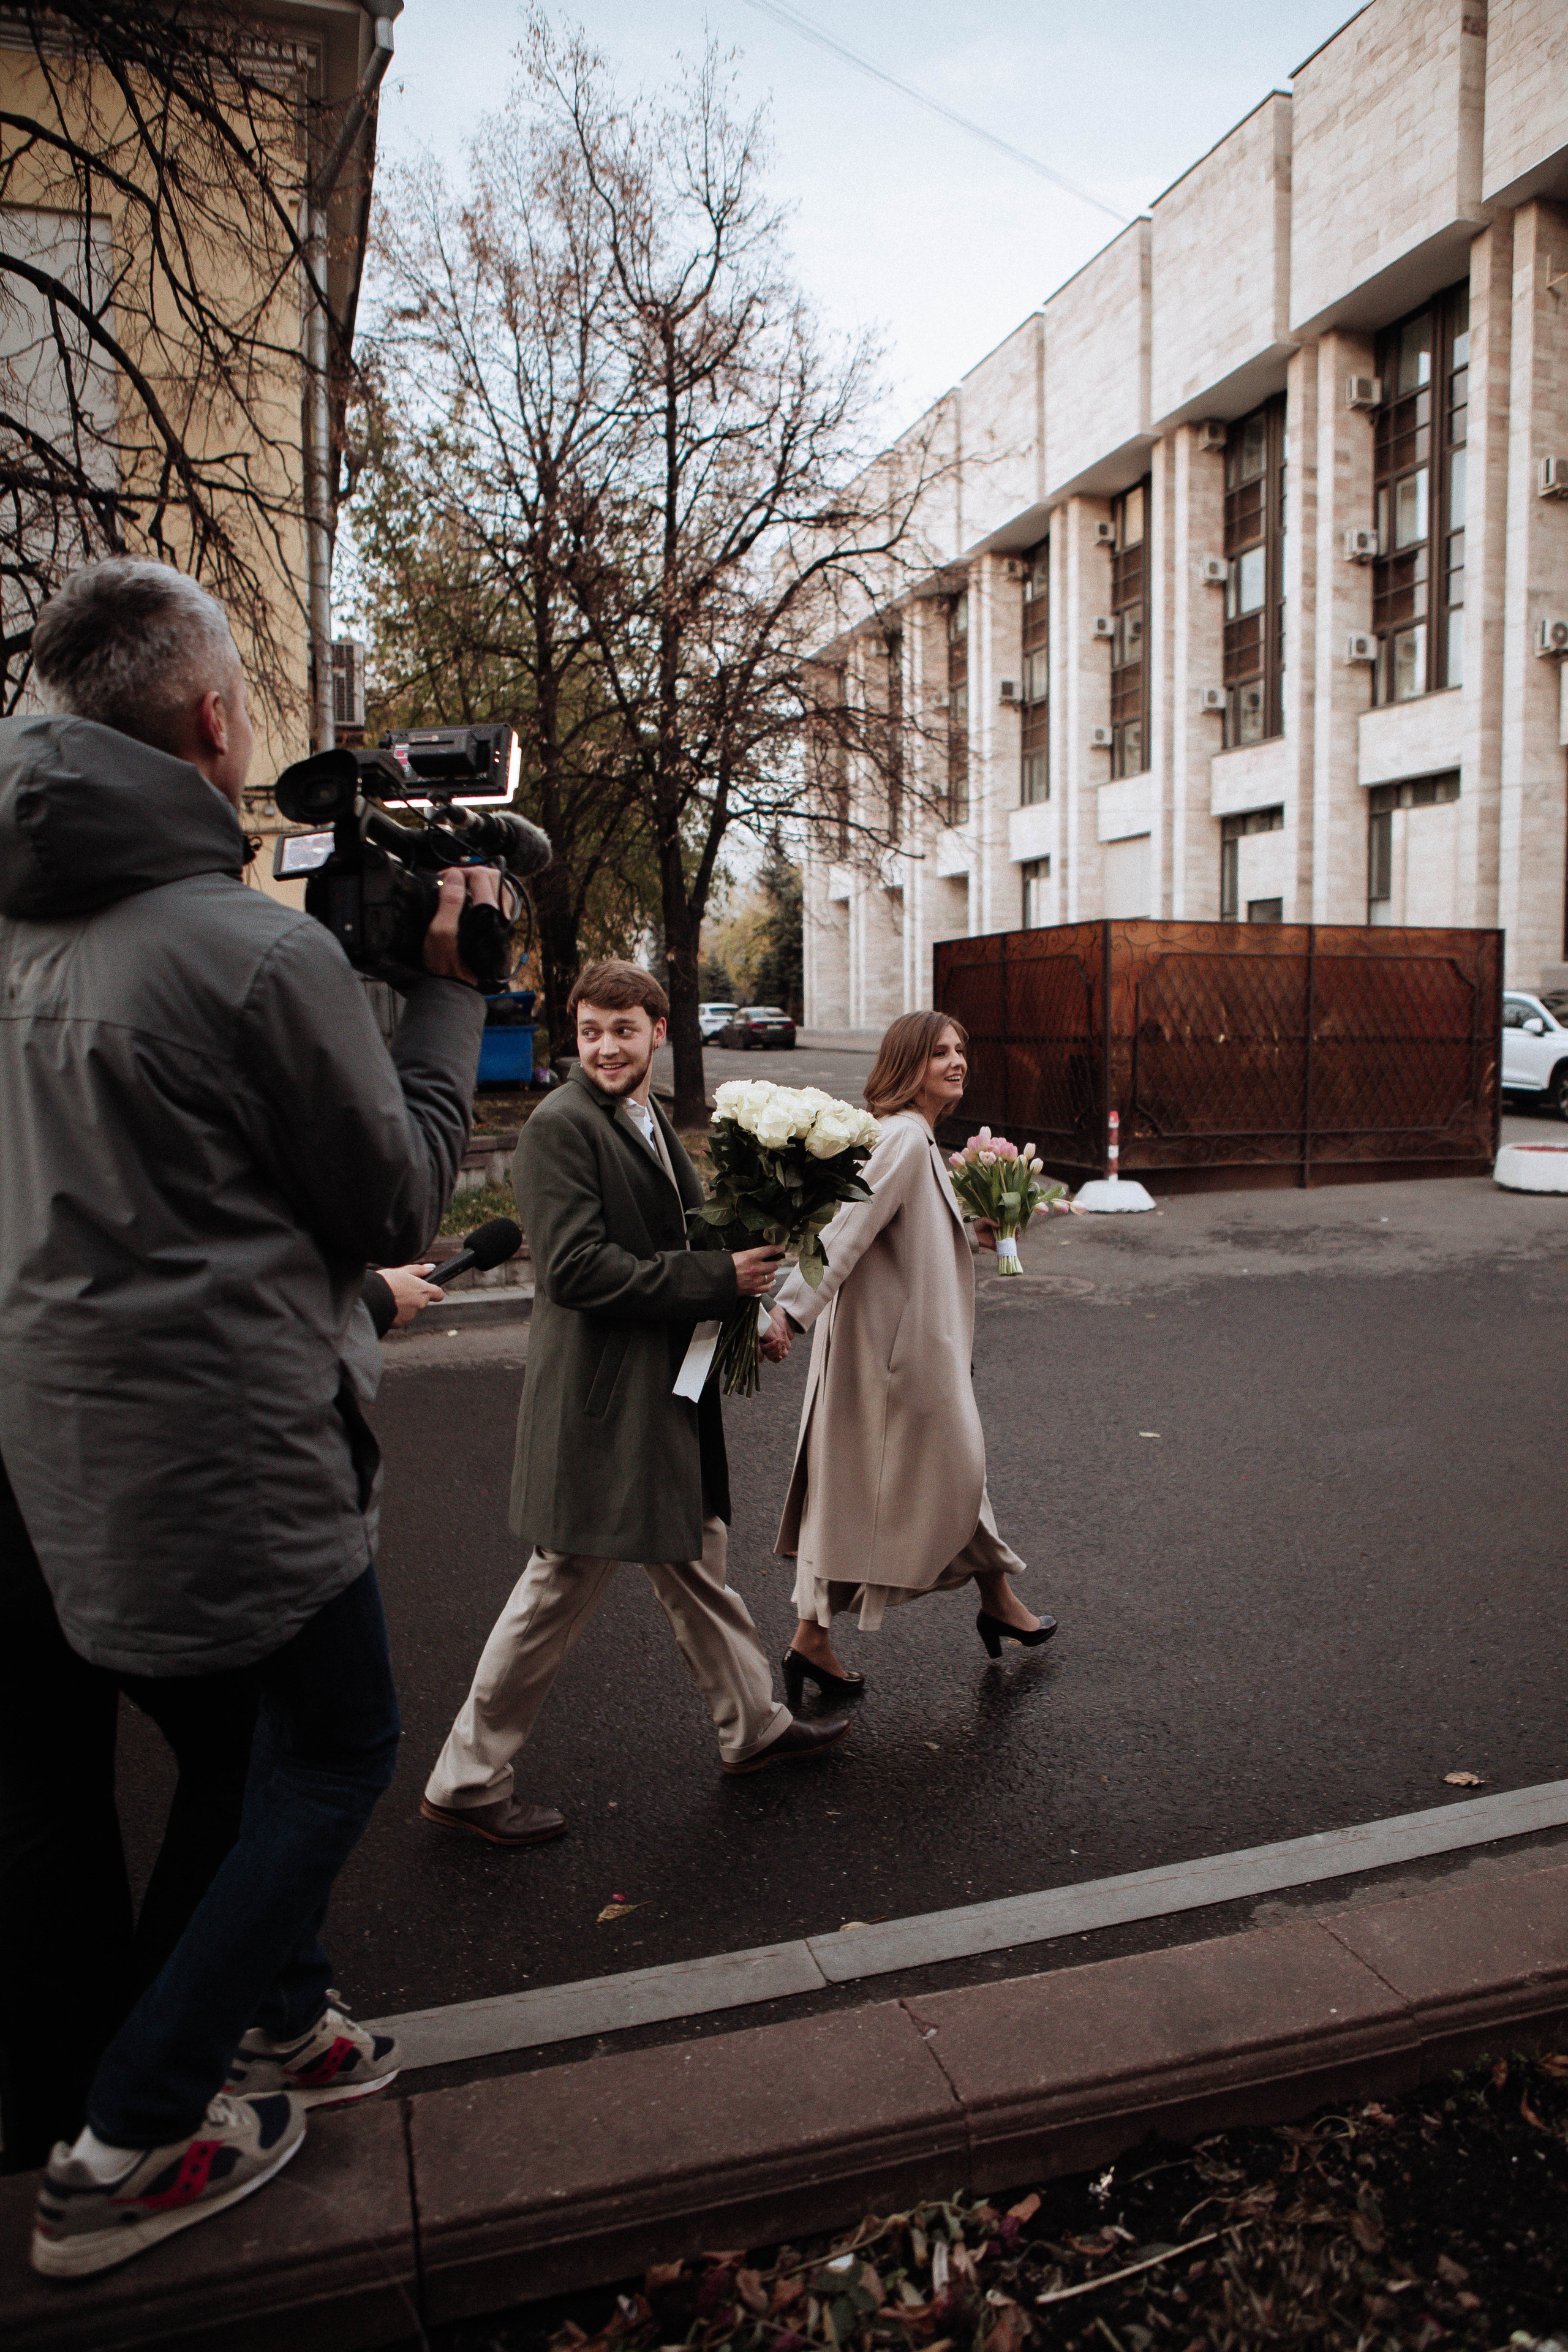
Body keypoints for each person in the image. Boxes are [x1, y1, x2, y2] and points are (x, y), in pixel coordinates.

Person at [0, 558, 492, 2275]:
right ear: (213, 724)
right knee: (338, 1744)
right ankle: (126, 2137)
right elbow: (396, 1201)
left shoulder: (22, 929)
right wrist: (449, 986)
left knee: (234, 1754)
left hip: (61, 1454)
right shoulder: (249, 952)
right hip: (233, 1452)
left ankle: (284, 2023)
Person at [0, 1264, 442, 2179]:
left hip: (37, 1447)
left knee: (46, 1809)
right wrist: (357, 1301)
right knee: (276, 1752)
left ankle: (68, 2121)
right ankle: (148, 2093)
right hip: (93, 1458)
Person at [422, 959, 850, 1845]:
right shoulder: (558, 1127)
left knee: (695, 1557)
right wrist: (713, 1278)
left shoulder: (649, 1114)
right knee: (559, 1585)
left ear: (658, 1031)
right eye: (590, 1032)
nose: (606, 1047)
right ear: (574, 1038)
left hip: (664, 1398)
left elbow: (692, 1236)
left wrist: (754, 1298)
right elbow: (575, 1271)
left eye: (623, 1029)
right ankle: (466, 1780)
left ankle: (754, 1727)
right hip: (604, 1407)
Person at [763, 1010, 1055, 1700]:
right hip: (894, 1363)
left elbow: (911, 1222)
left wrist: (979, 1226)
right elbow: (846, 1232)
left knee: (941, 1478)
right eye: (938, 1053)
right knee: (893, 1487)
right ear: (907, 1066)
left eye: (960, 1049)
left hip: (917, 1356)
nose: (956, 1062)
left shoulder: (920, 1141)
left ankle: (995, 1603)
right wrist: (787, 1313)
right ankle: (817, 1636)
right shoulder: (900, 1136)